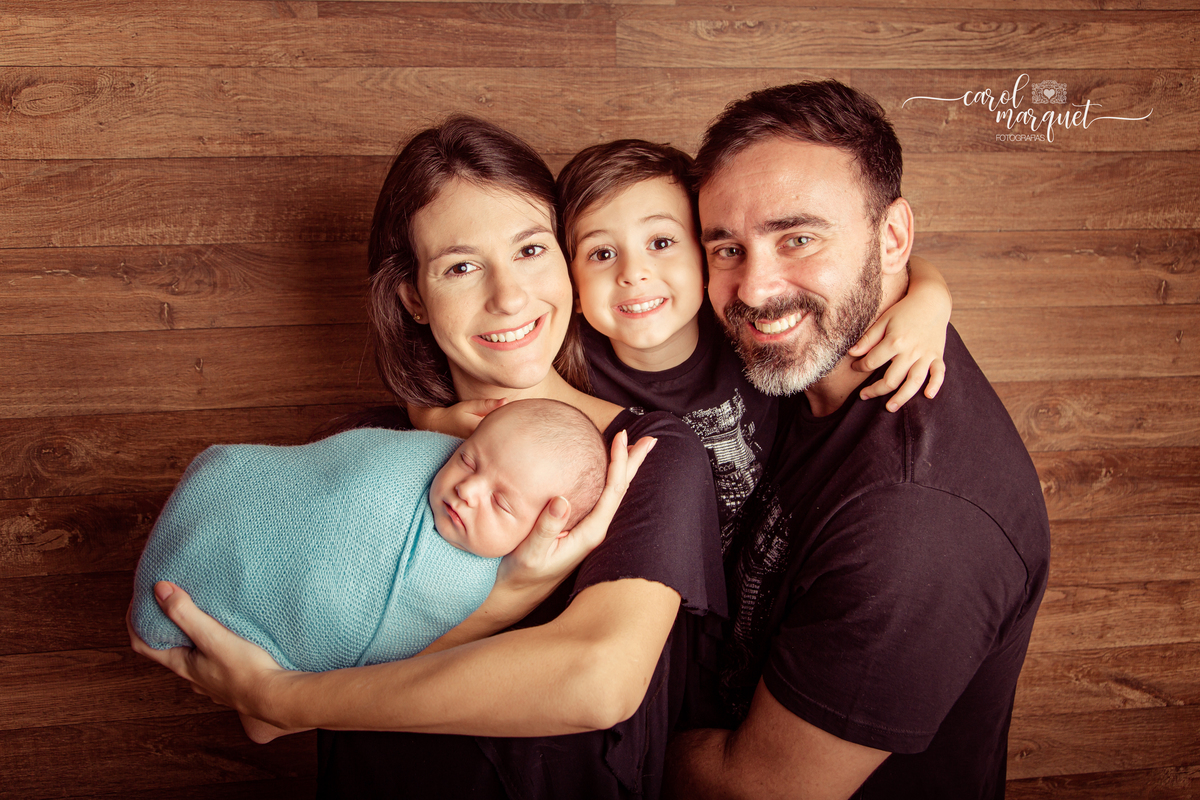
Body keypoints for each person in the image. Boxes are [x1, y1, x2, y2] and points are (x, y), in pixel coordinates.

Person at [128, 115, 726, 800]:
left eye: (531, 250)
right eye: (462, 266)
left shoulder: (645, 454)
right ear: (414, 295)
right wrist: (507, 596)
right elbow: (261, 715)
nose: (508, 296)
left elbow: (598, 682)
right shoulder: (366, 449)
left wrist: (294, 698)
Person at [665, 80, 1051, 799]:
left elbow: (756, 789)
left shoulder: (919, 522)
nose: (754, 288)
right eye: (726, 248)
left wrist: (597, 743)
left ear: (893, 235)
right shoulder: (810, 358)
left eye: (799, 237)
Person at [555, 139, 951, 553]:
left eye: (660, 243)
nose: (633, 273)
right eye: (601, 253)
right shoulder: (565, 370)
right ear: (573, 289)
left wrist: (930, 299)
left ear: (707, 257)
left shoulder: (749, 326)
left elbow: (882, 254)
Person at [132, 398, 608, 674]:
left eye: (502, 503)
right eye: (469, 459)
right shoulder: (419, 457)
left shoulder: (479, 586)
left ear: (543, 532)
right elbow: (336, 472)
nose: (467, 489)